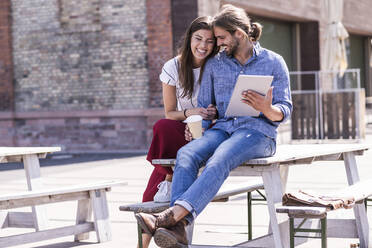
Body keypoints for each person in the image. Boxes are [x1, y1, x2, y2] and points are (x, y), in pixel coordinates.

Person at [135, 4, 293, 248]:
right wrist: (199, 124)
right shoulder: (215, 64)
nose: (218, 44)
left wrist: (267, 108)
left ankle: (170, 218)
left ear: (239, 34)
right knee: (186, 153)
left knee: (220, 158)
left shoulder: (274, 61)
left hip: (258, 133)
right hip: (224, 129)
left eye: (221, 38)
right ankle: (178, 228)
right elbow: (207, 109)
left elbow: (285, 109)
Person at [139, 16, 218, 248]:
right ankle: (169, 175)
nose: (203, 46)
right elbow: (170, 112)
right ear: (189, 39)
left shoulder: (217, 67)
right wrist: (191, 113)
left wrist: (210, 116)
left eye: (210, 41)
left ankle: (167, 178)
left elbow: (227, 109)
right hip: (181, 127)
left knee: (155, 184)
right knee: (161, 127)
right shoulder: (173, 66)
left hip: (210, 131)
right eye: (198, 39)